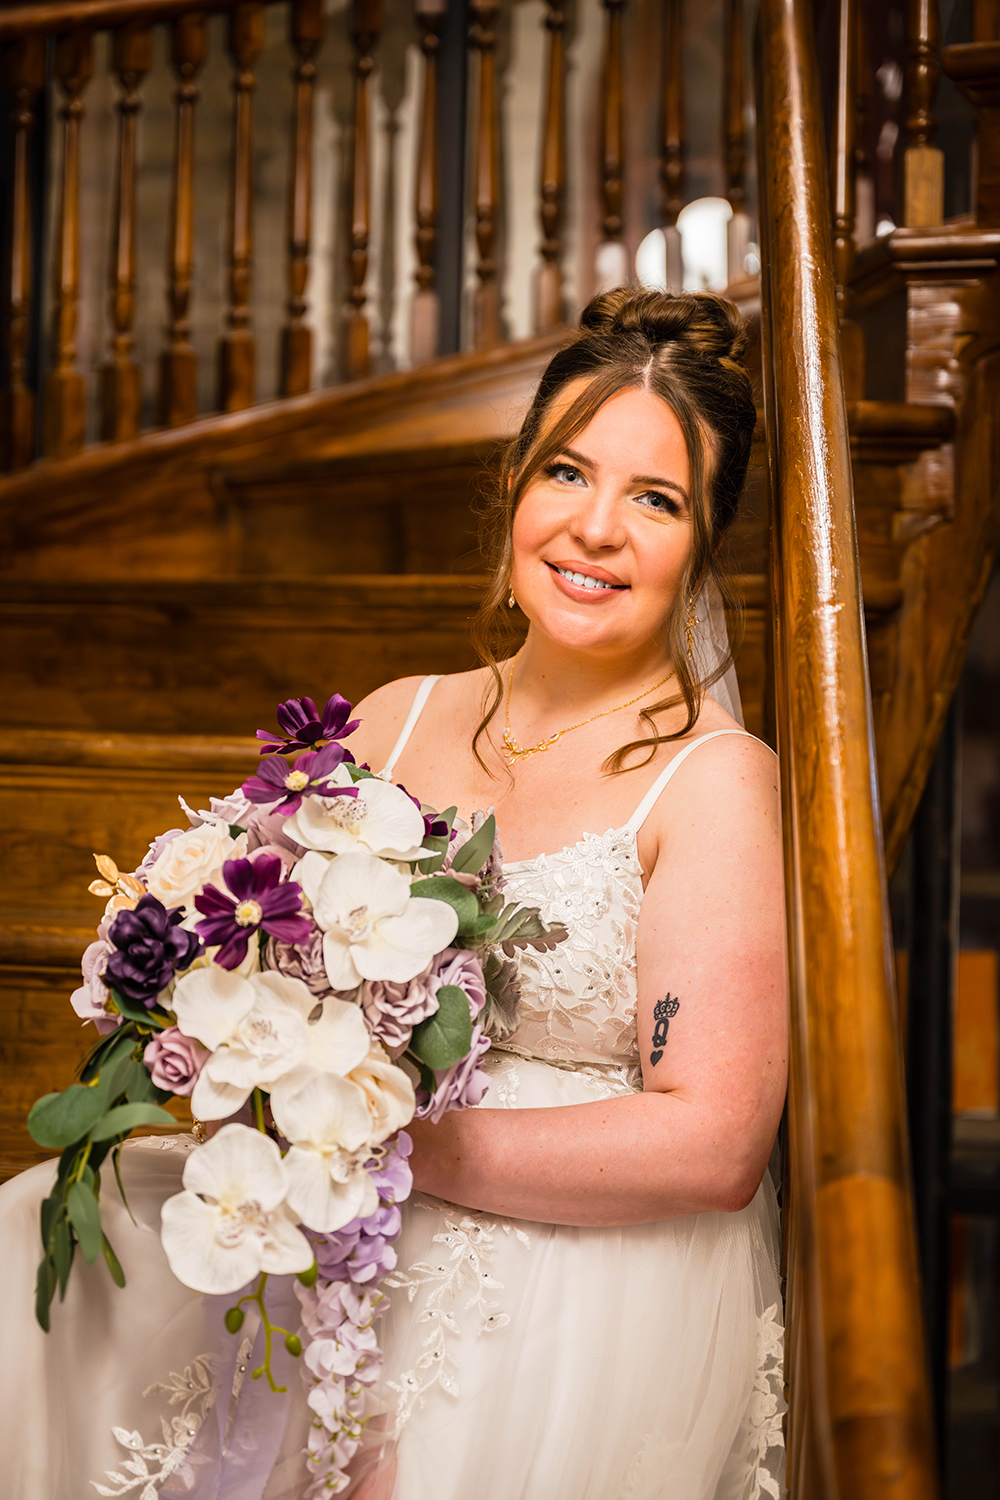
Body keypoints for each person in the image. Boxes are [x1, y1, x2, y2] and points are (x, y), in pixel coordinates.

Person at [0, 288, 786, 1500]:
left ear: (704, 541)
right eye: (568, 473)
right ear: (517, 483)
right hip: (332, 1213)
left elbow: (714, 1140)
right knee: (33, 1237)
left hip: (568, 1264)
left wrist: (383, 1144)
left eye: (657, 498)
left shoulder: (714, 781)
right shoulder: (393, 714)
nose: (596, 530)